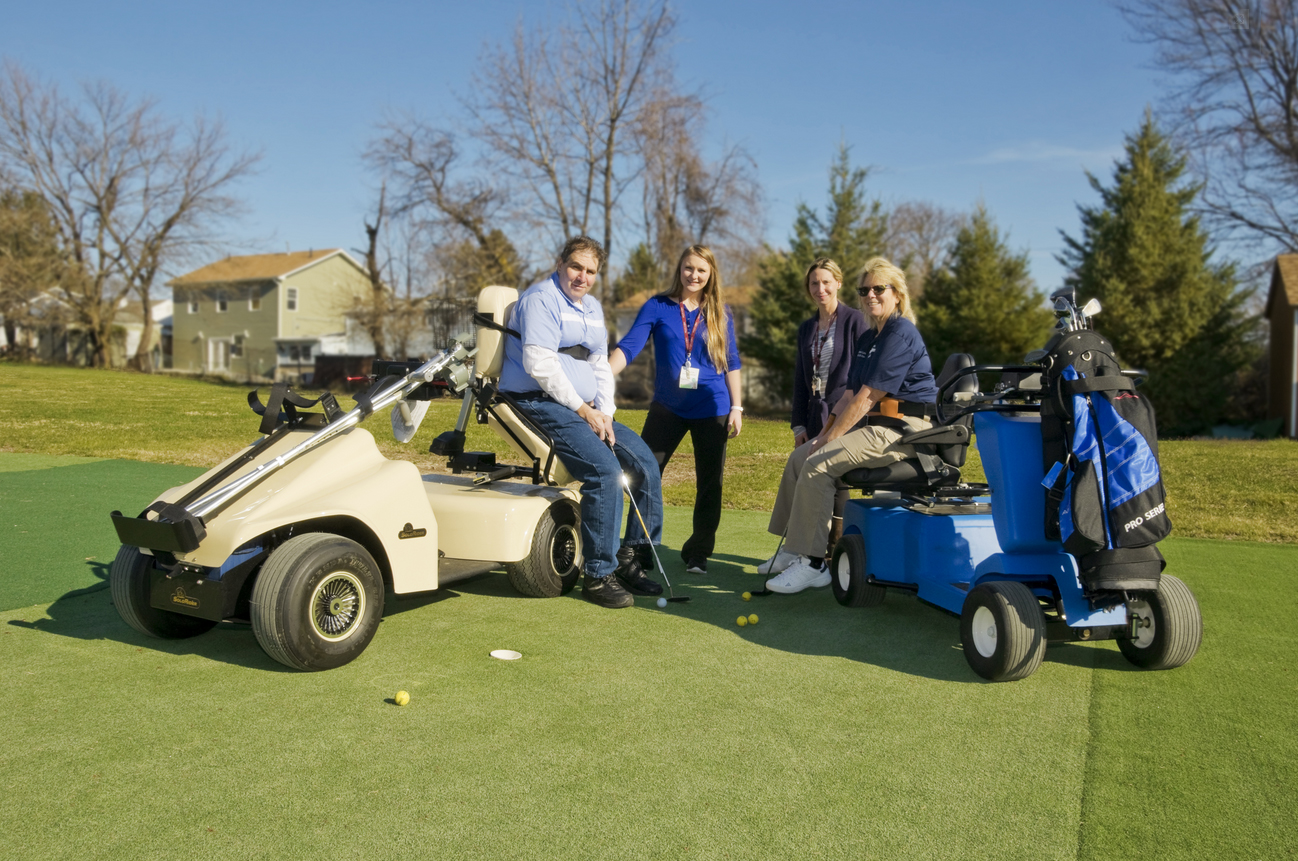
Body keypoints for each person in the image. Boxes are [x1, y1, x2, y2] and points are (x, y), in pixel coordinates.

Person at [498, 236, 664, 609]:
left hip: (585, 407)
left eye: (590, 272)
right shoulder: (541, 299)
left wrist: (603, 412)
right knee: (604, 473)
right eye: (576, 267)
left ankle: (629, 558)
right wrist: (582, 410)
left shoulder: (591, 308)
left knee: (645, 465)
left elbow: (600, 365)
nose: (582, 277)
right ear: (560, 264)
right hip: (538, 401)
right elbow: (539, 364)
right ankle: (598, 574)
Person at [761, 257, 938, 593]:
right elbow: (848, 395)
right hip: (877, 425)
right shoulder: (871, 337)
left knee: (817, 464)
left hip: (905, 428)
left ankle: (814, 565)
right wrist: (823, 435)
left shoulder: (901, 331)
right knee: (800, 458)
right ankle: (794, 551)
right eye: (864, 290)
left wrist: (830, 441)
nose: (870, 295)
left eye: (878, 288)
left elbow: (868, 397)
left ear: (896, 294)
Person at [610, 245, 742, 575]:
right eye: (688, 268)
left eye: (701, 270)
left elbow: (731, 363)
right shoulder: (658, 306)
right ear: (679, 269)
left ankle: (698, 552)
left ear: (710, 274)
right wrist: (598, 376)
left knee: (710, 483)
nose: (694, 275)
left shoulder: (720, 313)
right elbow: (630, 346)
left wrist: (737, 406)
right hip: (668, 407)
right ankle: (638, 550)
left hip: (713, 408)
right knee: (643, 472)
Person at [757, 259, 869, 574]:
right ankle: (795, 550)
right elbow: (800, 381)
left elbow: (858, 379)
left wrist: (839, 421)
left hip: (845, 415)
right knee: (805, 472)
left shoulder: (855, 321)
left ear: (838, 283)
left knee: (836, 481)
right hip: (814, 414)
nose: (820, 289)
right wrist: (799, 425)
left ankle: (831, 555)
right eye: (813, 284)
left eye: (826, 282)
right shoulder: (807, 328)